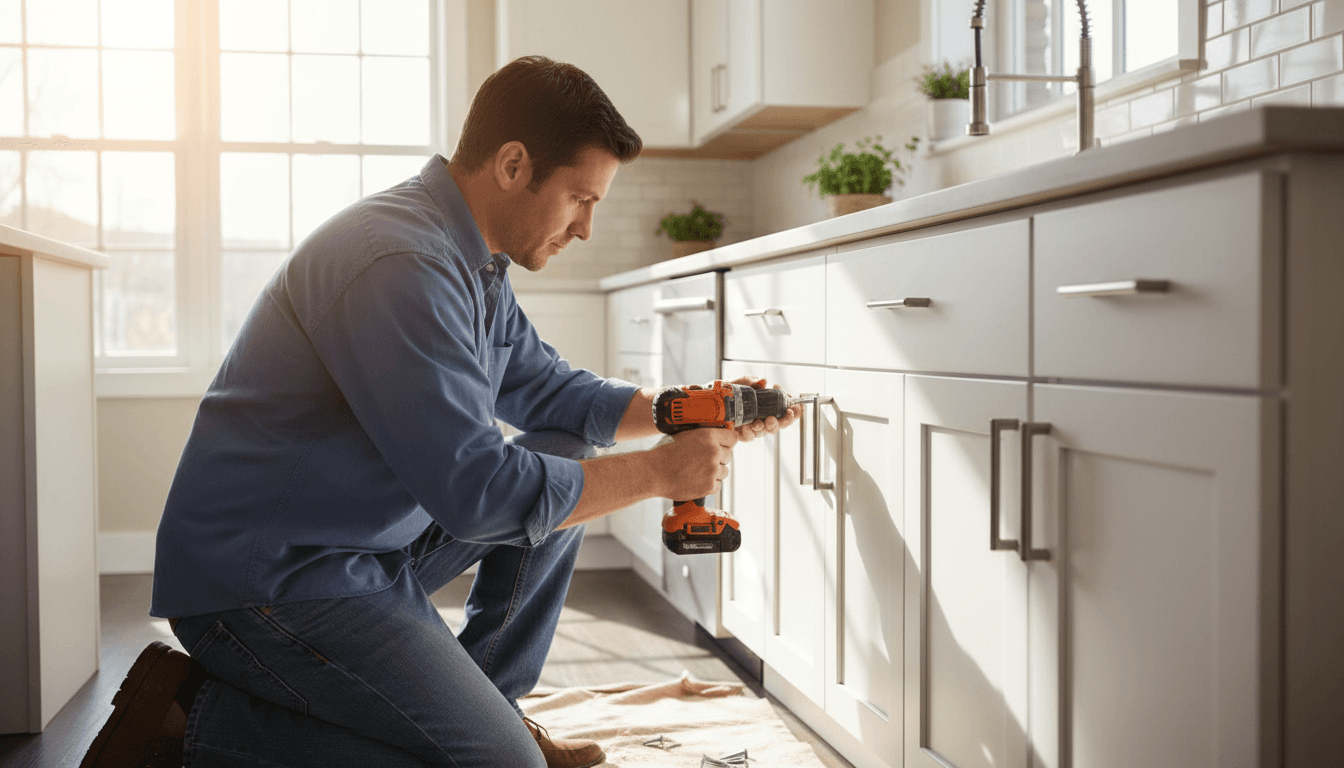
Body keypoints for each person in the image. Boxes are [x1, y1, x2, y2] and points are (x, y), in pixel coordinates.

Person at [80, 55, 799, 768]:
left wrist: (690, 408)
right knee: (500, 766)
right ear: (513, 164)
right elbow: (478, 492)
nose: (585, 228)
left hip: (361, 548)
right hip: (267, 581)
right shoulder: (397, 261)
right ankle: (186, 722)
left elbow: (552, 393)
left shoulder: (474, 263)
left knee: (566, 446)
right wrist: (661, 474)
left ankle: (493, 703)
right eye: (581, 199)